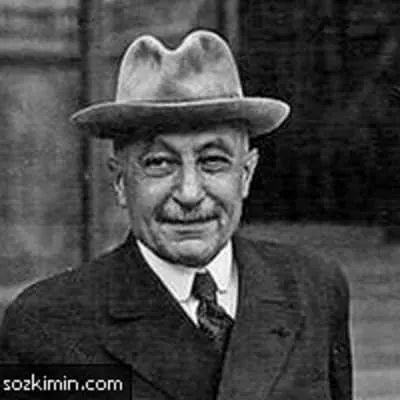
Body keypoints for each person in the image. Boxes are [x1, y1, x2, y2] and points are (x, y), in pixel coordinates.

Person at [0, 29, 353, 399]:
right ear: (120, 182)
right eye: (159, 163)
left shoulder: (312, 288)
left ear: (246, 174)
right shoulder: (49, 322)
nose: (189, 193)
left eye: (213, 161)